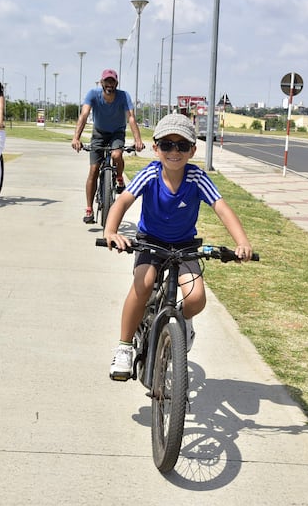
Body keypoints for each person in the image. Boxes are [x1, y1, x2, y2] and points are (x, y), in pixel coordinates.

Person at [102, 113, 254, 380]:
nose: (175, 151)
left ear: (193, 150)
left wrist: (241, 242)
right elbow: (123, 201)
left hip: (184, 245)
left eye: (182, 146)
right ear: (155, 147)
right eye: (167, 145)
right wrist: (111, 231)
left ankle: (182, 323)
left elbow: (222, 208)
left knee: (195, 297)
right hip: (151, 241)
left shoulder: (197, 177)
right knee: (143, 283)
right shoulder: (150, 173)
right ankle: (124, 347)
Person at [72, 68, 145, 223]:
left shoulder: (123, 96)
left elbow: (130, 118)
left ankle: (119, 177)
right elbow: (84, 115)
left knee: (116, 154)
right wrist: (76, 138)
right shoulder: (93, 94)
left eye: (112, 81)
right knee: (93, 169)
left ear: (116, 83)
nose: (109, 84)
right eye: (107, 81)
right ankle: (89, 209)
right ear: (102, 83)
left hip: (117, 133)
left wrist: (138, 140)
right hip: (99, 133)